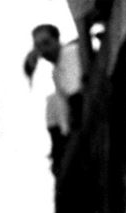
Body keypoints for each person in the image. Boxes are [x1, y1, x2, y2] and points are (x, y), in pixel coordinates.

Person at [24, 23, 84, 173]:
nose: (44, 50)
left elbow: (75, 96)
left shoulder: (69, 53)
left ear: (57, 40)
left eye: (47, 43)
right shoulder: (55, 71)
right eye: (39, 46)